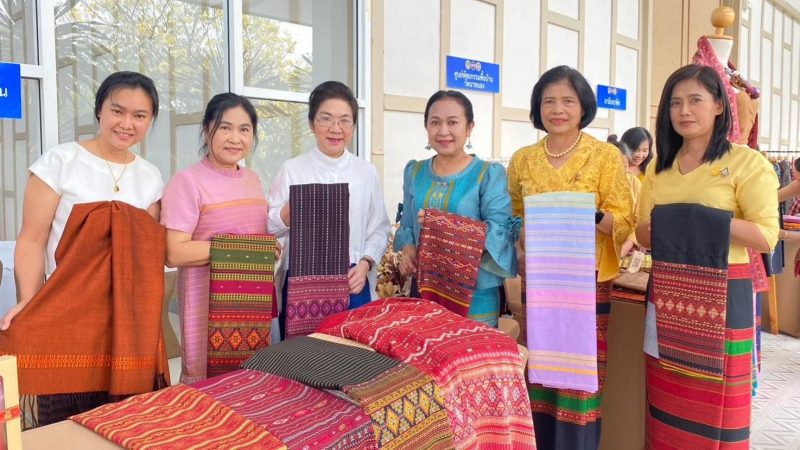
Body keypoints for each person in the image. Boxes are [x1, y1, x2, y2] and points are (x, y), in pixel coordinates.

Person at [0, 71, 165, 428]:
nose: (126, 124)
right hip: (66, 305)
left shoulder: (151, 177)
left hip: (126, 316)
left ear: (150, 120)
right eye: (117, 111)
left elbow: (146, 253)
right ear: (99, 110)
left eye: (139, 115)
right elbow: (31, 241)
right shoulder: (59, 162)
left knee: (120, 420)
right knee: (61, 413)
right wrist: (30, 300)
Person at [635, 64, 778, 449]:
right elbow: (641, 231)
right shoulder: (659, 167)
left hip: (724, 295)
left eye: (695, 100)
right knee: (665, 398)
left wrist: (699, 218)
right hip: (666, 294)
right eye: (675, 103)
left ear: (718, 106)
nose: (684, 111)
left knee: (719, 406)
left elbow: (766, 237)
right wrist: (675, 222)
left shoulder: (747, 163)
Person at [507, 65, 633, 450]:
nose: (557, 110)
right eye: (548, 101)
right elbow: (513, 216)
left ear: (583, 107)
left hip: (586, 282)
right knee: (540, 369)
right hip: (540, 282)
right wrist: (522, 240)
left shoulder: (605, 156)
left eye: (567, 101)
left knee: (581, 377)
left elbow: (624, 219)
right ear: (537, 108)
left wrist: (586, 215)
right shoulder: (523, 159)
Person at [267, 81, 391, 338]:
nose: (336, 129)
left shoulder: (365, 172)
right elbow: (269, 226)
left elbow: (379, 228)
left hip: (352, 278)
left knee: (350, 354)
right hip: (302, 280)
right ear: (312, 124)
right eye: (326, 119)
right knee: (301, 354)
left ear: (353, 126)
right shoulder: (293, 169)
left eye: (345, 121)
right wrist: (291, 211)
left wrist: (366, 264)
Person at [160, 93, 269, 384]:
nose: (235, 138)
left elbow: (254, 238)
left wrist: (268, 248)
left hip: (251, 303)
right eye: (225, 127)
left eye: (244, 129)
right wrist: (246, 250)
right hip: (205, 305)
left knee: (249, 383)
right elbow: (174, 252)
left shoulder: (253, 180)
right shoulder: (187, 181)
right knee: (206, 388)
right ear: (207, 129)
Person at [394, 90, 518, 327]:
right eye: (435, 122)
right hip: (424, 291)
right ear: (426, 126)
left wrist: (443, 227)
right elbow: (408, 223)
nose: (443, 131)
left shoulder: (487, 175)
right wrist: (408, 250)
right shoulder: (414, 172)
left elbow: (498, 232)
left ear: (469, 127)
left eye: (452, 122)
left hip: (475, 295)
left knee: (472, 352)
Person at [609, 134, 643, 257]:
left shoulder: (634, 183)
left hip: (627, 248)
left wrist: (627, 245)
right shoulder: (595, 184)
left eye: (625, 166)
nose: (622, 172)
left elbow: (639, 220)